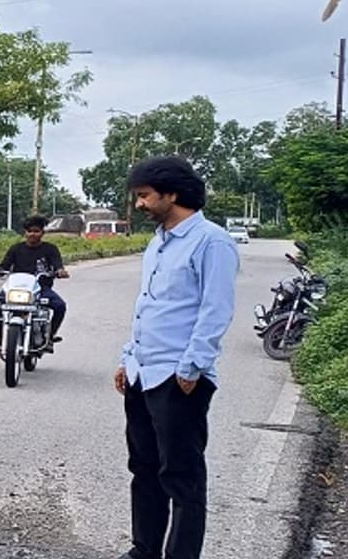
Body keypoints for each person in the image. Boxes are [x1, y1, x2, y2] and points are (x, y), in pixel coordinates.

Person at [113, 156, 239, 559]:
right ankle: (144, 550)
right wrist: (127, 357)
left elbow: (215, 309)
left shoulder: (212, 242)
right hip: (142, 373)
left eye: (145, 196)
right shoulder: (159, 241)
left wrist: (191, 367)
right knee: (144, 470)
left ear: (172, 193)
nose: (139, 205)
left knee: (182, 478)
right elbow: (150, 305)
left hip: (178, 377)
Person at [0, 215, 70, 353]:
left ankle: (49, 337)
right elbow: (4, 266)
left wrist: (60, 271)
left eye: (36, 231)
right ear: (25, 233)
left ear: (42, 233)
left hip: (40, 288)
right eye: (29, 231)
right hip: (16, 289)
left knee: (60, 306)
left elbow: (57, 265)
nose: (32, 234)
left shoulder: (50, 249)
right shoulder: (16, 249)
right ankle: (0, 339)